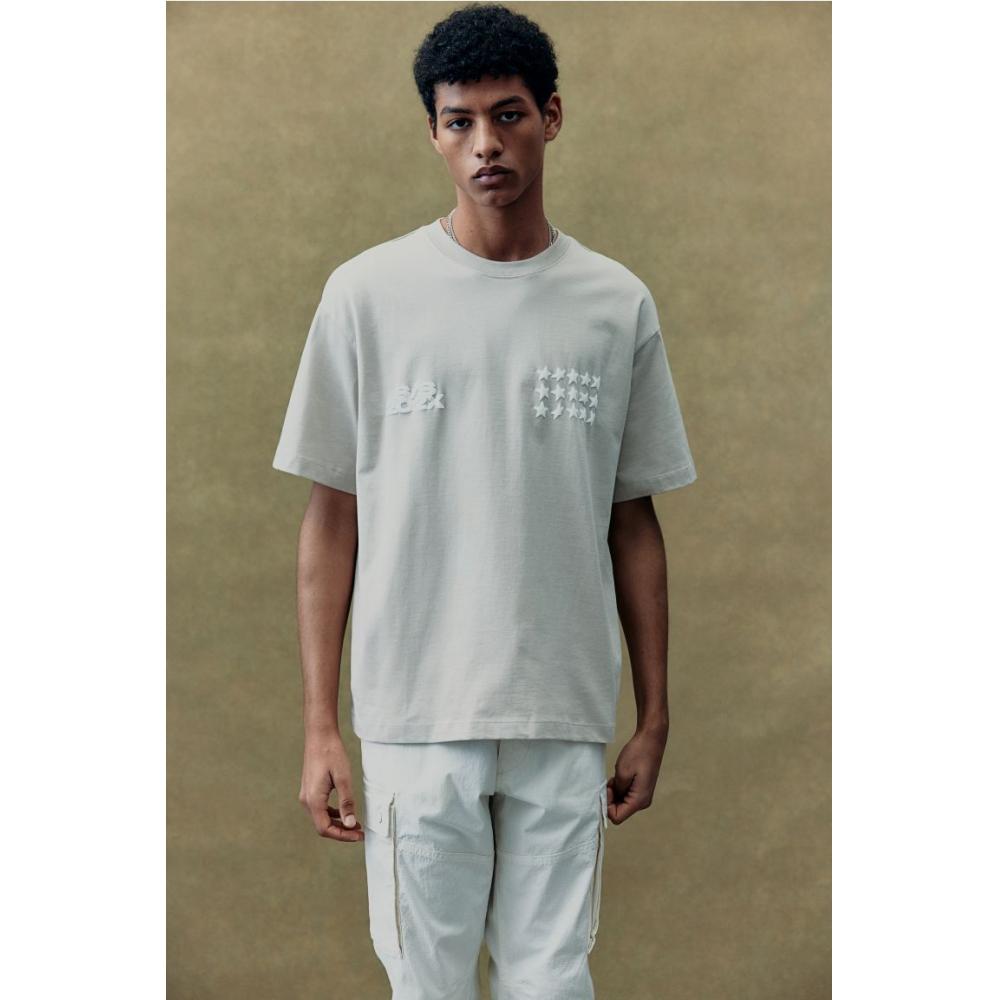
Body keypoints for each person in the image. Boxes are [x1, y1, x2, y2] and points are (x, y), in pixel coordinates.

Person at [272, 4, 698, 997]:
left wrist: (654, 714)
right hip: (413, 709)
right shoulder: (366, 296)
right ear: (432, 132)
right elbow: (332, 519)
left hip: (561, 708)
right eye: (458, 121)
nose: (485, 144)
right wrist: (320, 723)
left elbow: (633, 520)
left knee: (552, 981)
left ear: (552, 115)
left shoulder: (614, 303)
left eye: (507, 115)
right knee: (427, 982)